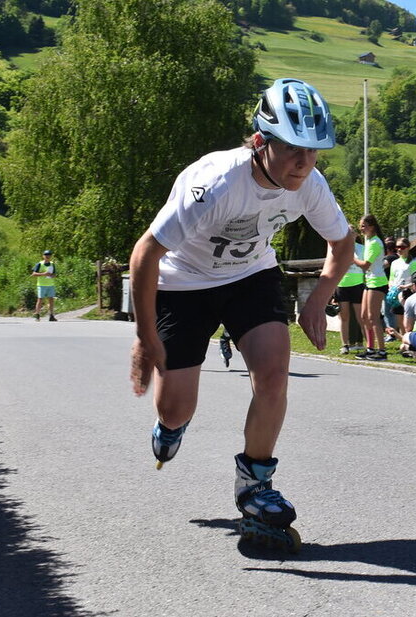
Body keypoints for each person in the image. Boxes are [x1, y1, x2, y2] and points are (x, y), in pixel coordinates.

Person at [128, 78, 354, 551]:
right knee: (176, 408)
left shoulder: (309, 185)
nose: (303, 163)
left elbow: (342, 241)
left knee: (273, 374)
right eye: (292, 149)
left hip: (250, 276)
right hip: (183, 283)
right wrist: (147, 337)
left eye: (313, 152)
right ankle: (170, 426)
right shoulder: (214, 183)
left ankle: (254, 485)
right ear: (259, 142)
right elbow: (145, 253)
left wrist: (318, 299)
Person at [354, 214, 388, 360]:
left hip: (377, 282)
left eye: (364, 226)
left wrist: (351, 258)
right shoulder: (368, 240)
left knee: (373, 318)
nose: (361, 229)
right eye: (360, 226)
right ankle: (370, 348)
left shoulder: (374, 242)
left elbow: (366, 265)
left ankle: (382, 351)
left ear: (372, 227)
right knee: (364, 316)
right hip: (369, 281)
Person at [335, 226, 365, 354]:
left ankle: (369, 346)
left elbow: (366, 264)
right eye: (347, 233)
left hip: (358, 284)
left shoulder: (362, 248)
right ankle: (345, 345)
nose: (349, 235)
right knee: (344, 317)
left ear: (356, 234)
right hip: (342, 284)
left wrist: (354, 261)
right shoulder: (339, 247)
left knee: (361, 317)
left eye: (351, 233)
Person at [386, 236, 416, 342]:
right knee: (399, 319)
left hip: (408, 293)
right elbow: (391, 278)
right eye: (397, 247)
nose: (399, 249)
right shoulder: (394, 262)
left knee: (408, 320)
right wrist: (391, 286)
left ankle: (410, 340)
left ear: (408, 247)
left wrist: (405, 286)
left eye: (402, 247)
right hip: (396, 293)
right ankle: (404, 340)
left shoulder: (413, 263)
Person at [32, 250, 58, 321]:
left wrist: (52, 276)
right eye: (46, 255)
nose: (47, 256)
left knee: (51, 300)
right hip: (41, 285)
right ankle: (37, 315)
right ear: (43, 256)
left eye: (49, 255)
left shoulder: (52, 264)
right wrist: (44, 274)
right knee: (40, 299)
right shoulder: (39, 264)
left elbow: (54, 274)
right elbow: (33, 274)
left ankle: (51, 315)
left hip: (50, 284)